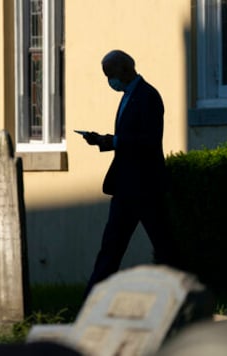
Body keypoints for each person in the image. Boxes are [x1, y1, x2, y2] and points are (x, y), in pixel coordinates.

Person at [81, 50, 175, 297]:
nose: (109, 81)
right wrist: (104, 140)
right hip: (125, 187)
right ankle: (92, 300)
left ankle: (181, 294)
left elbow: (150, 140)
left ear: (125, 69)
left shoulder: (148, 96)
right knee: (111, 248)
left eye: (110, 75)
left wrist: (112, 141)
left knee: (164, 246)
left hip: (146, 187)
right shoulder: (128, 97)